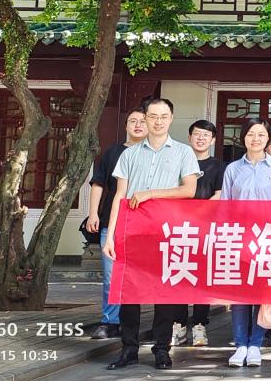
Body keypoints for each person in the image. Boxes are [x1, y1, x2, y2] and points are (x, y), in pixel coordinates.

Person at [103, 98, 200, 371]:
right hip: (132, 231)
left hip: (167, 231)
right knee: (128, 293)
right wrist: (110, 235)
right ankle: (129, 349)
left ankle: (161, 349)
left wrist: (150, 193)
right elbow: (120, 195)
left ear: (171, 119)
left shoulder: (183, 152)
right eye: (153, 116)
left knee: (163, 292)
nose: (158, 121)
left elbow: (189, 190)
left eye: (164, 116)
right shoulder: (129, 154)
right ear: (145, 118)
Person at [221, 118, 271, 367]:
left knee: (263, 293)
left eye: (261, 135)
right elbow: (225, 206)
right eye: (251, 134)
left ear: (267, 140)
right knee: (240, 294)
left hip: (268, 238)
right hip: (239, 238)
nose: (256, 139)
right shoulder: (233, 169)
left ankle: (255, 345)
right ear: (244, 137)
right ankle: (240, 344)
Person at [86, 108, 146, 341]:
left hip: (145, 224)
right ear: (126, 126)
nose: (138, 125)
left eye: (142, 121)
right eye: (133, 121)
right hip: (112, 222)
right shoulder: (112, 153)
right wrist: (93, 213)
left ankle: (132, 323)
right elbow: (98, 183)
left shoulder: (155, 154)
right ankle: (110, 321)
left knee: (139, 277)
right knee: (111, 276)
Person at [172, 119, 225, 348]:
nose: (201, 138)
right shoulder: (178, 161)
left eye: (206, 135)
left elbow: (220, 195)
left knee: (201, 278)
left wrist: (196, 213)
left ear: (212, 140)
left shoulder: (219, 166)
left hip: (205, 229)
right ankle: (178, 325)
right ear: (189, 137)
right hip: (178, 228)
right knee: (179, 275)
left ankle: (200, 325)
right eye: (197, 134)